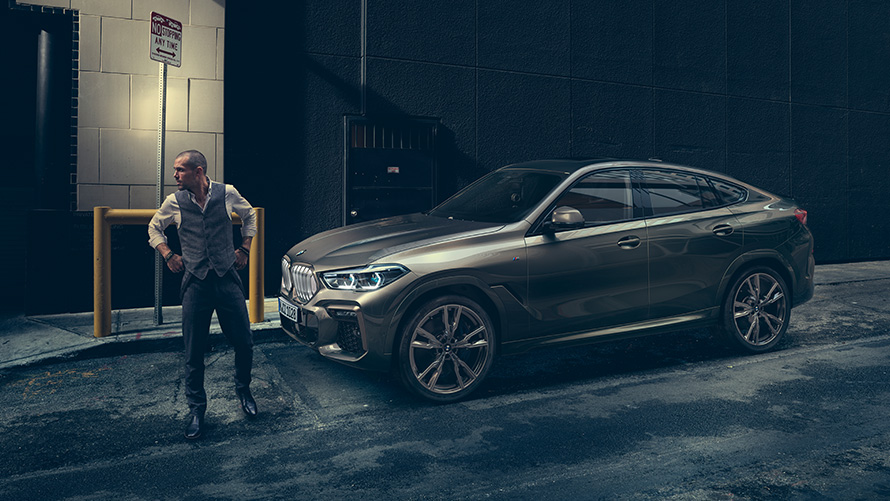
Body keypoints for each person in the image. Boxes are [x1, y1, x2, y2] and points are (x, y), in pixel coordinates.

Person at [148, 149, 258, 440]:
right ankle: (197, 409)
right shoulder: (174, 201)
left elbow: (250, 217)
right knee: (193, 350)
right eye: (175, 170)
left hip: (226, 278)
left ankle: (243, 390)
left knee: (244, 342)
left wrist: (245, 249)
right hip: (195, 281)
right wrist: (168, 253)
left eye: (180, 170)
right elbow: (154, 228)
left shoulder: (227, 193)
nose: (175, 175)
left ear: (198, 171)